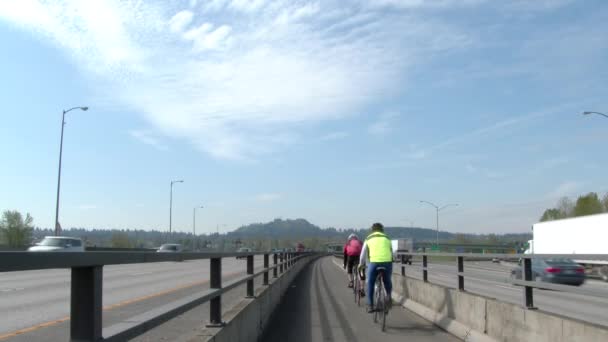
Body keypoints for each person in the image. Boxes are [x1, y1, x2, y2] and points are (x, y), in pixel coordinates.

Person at [358, 222, 393, 313]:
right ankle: (388, 296)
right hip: (387, 262)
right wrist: (393, 259)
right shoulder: (387, 238)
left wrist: (361, 264)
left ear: (372, 230)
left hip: (374, 263)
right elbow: (392, 252)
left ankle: (370, 305)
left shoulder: (368, 238)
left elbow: (362, 255)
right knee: (387, 279)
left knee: (370, 282)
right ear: (382, 230)